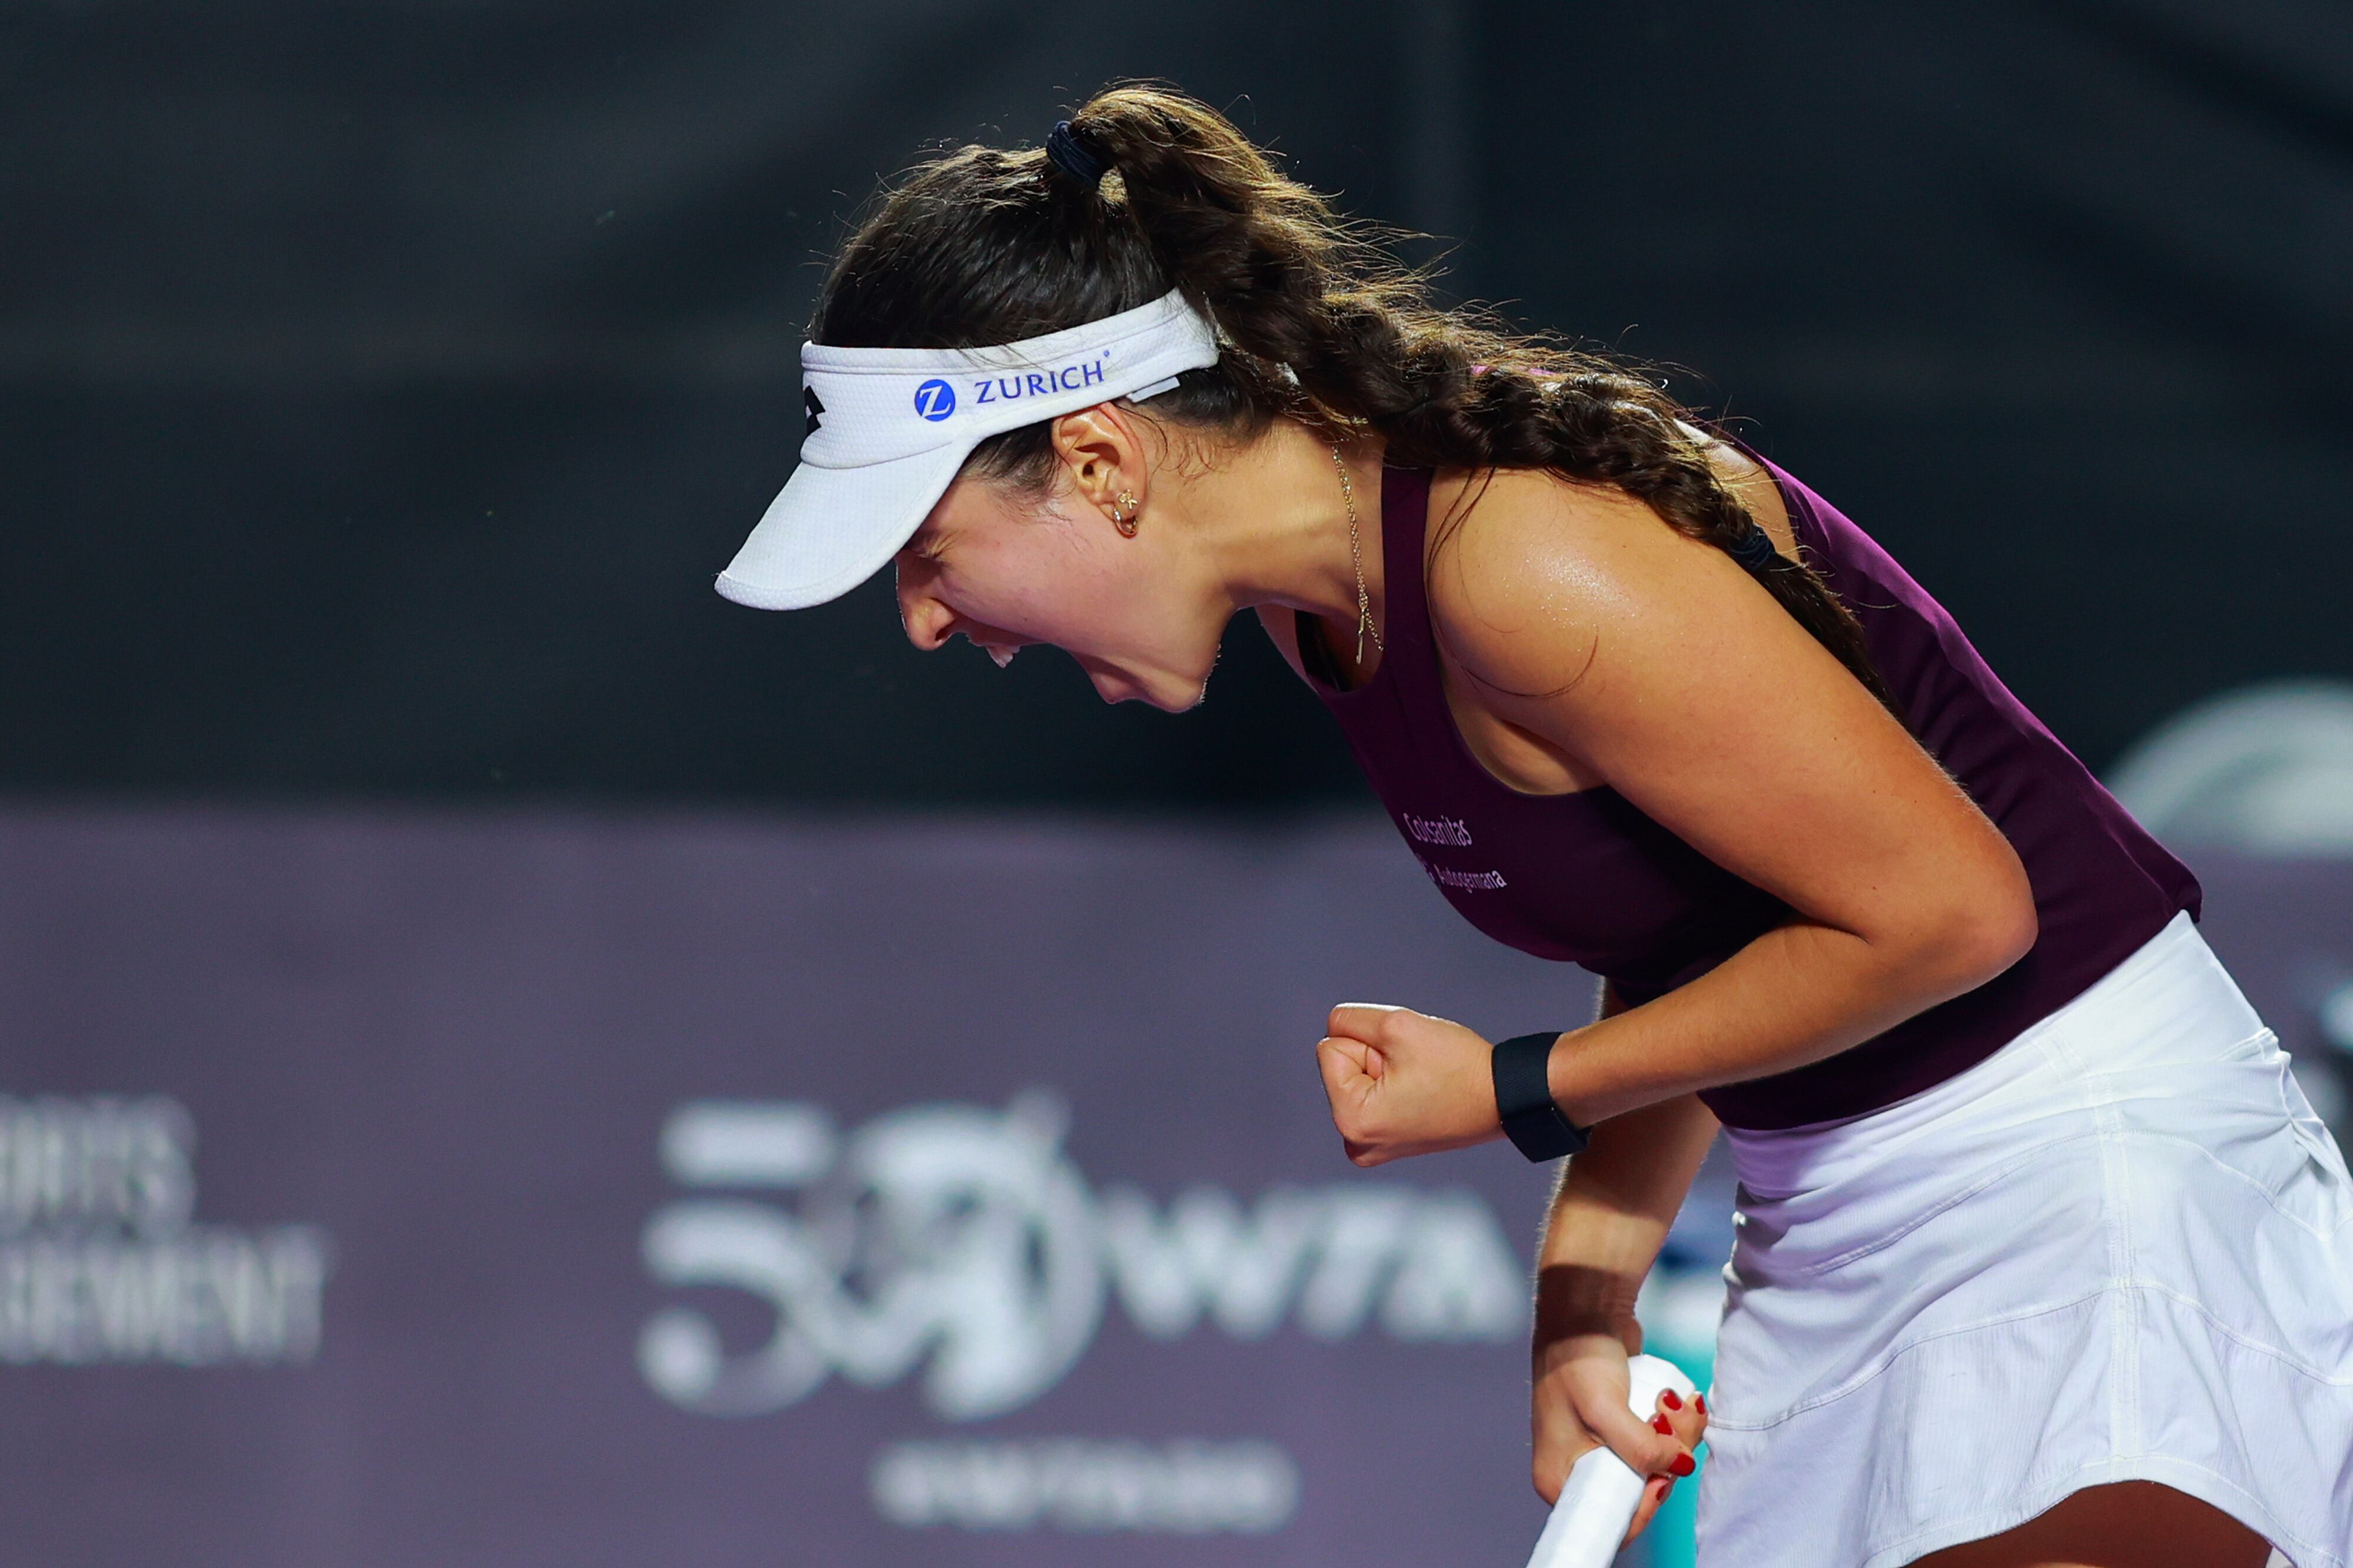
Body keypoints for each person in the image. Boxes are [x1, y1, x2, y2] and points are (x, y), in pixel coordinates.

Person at [713, 84, 2353, 1568]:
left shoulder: (1522, 562)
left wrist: (1512, 1087)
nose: (928, 621)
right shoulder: (1334, 607)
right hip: (1843, 1222)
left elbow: (1952, 914)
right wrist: (1586, 1301)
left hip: (2081, 1180)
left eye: (927, 551)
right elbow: (1699, 936)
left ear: (1099, 459)